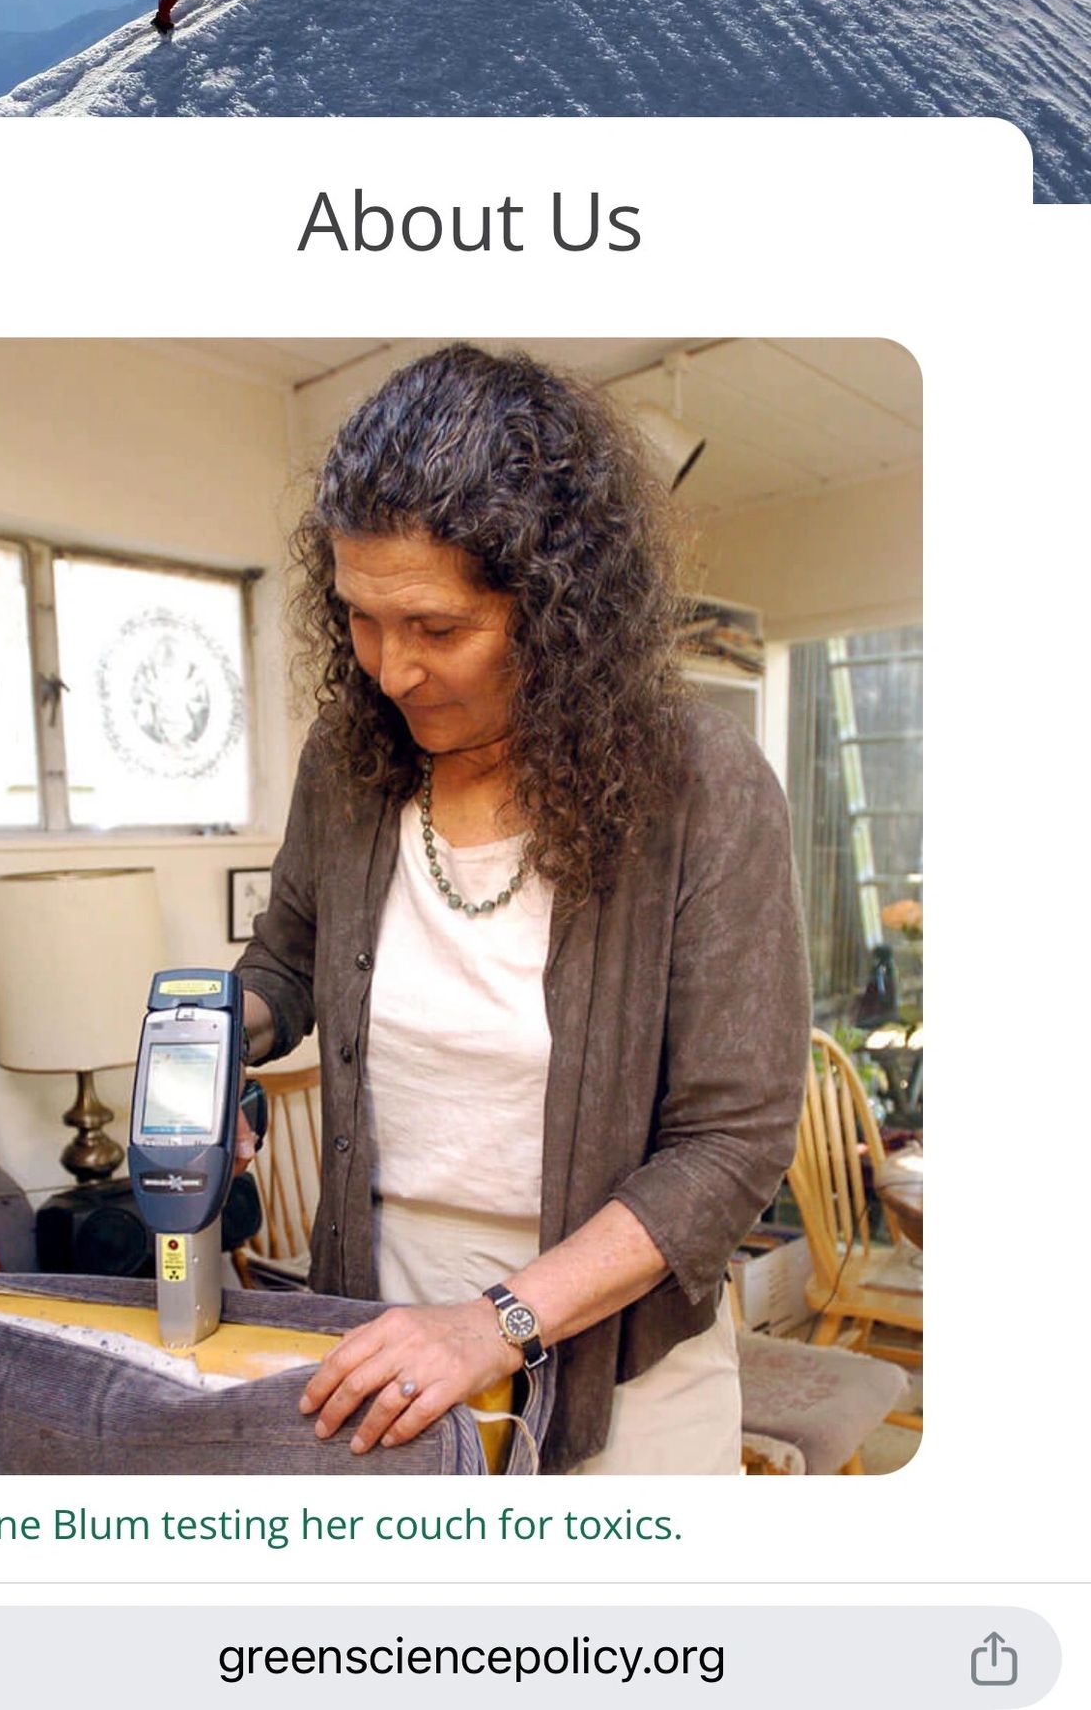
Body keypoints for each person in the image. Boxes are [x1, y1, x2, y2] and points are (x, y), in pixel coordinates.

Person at [235, 345, 810, 1475]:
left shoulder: (702, 783)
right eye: (359, 617)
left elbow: (728, 1145)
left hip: (615, 1332)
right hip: (378, 1307)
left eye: (438, 630)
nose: (390, 670)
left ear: (556, 612)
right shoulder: (350, 760)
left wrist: (490, 1324)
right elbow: (284, 966)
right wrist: (219, 1033)